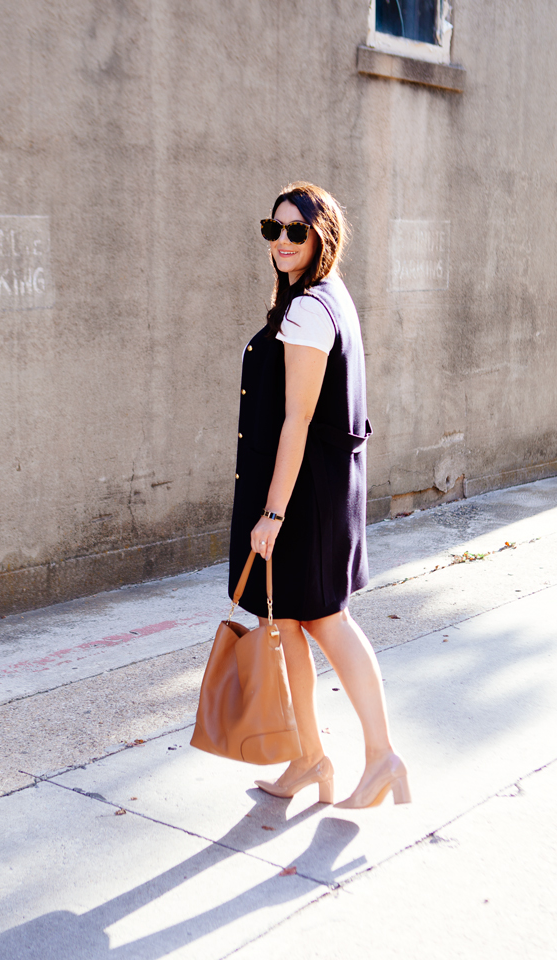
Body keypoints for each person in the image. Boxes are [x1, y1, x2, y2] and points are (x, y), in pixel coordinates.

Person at [228, 181, 410, 808]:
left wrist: (272, 511)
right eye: (272, 229)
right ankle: (309, 759)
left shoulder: (309, 309)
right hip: (318, 488)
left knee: (327, 621)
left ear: (320, 236)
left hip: (300, 496)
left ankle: (382, 758)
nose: (281, 241)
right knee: (286, 623)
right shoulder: (327, 297)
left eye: (295, 231)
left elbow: (296, 420)